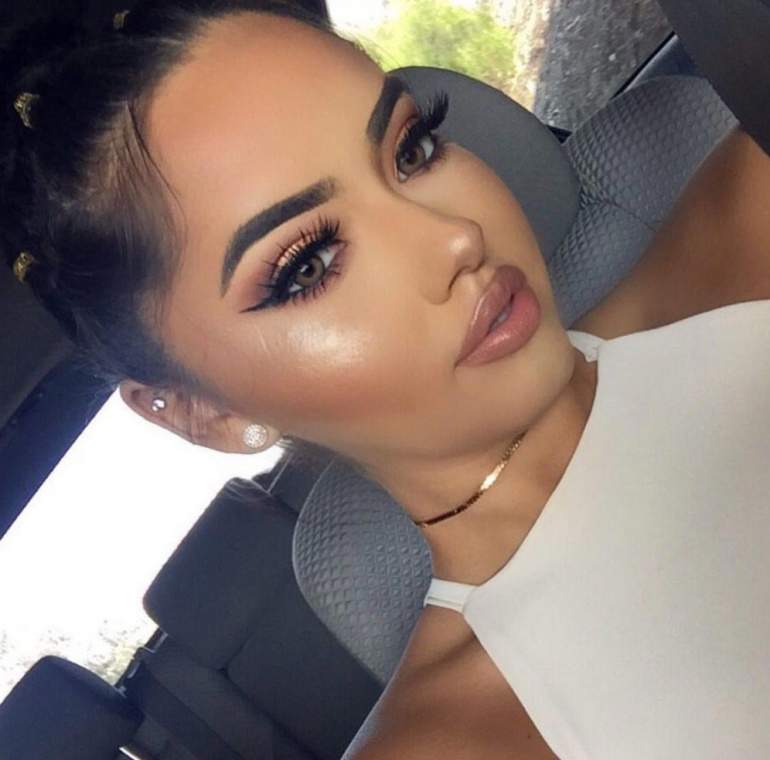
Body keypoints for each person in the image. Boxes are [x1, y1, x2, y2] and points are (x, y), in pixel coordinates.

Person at [3, 2, 770, 757]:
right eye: (309, 265)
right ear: (204, 412)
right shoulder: (452, 741)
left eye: (412, 150)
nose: (455, 238)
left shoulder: (744, 210)